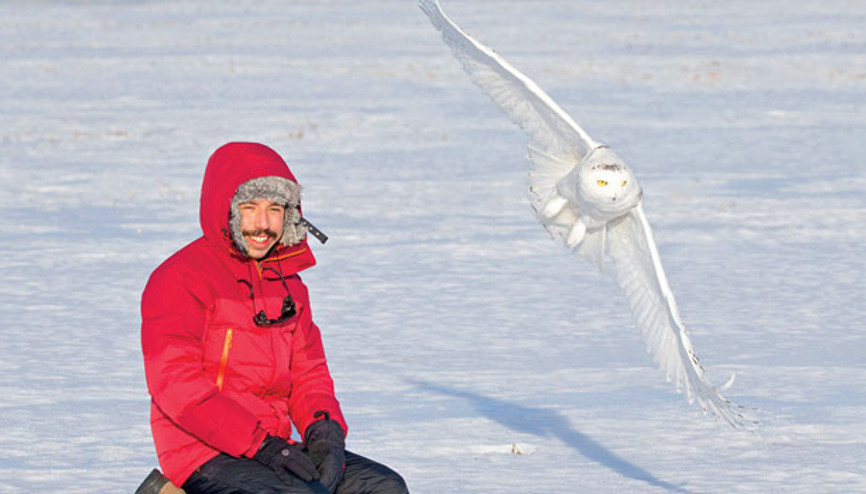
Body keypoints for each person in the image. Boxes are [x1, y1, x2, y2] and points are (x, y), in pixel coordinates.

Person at [140, 142, 409, 493]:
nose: (263, 224)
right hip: (203, 450)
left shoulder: (289, 286)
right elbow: (177, 386)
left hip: (274, 444)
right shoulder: (179, 279)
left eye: (275, 209)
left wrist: (324, 435)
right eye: (249, 208)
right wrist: (261, 446)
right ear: (226, 210)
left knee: (384, 487)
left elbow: (309, 374)